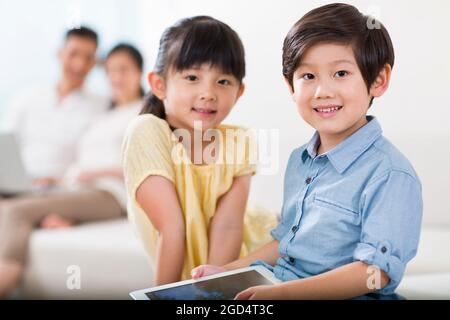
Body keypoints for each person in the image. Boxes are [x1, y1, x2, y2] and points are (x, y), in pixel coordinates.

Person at [192, 3, 423, 300]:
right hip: (279, 283)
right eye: (308, 77)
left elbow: (374, 273)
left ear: (378, 80)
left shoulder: (389, 173)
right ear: (290, 86)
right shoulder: (299, 160)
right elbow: (287, 242)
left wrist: (286, 294)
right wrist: (229, 270)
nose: (322, 91)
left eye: (340, 73)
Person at [122, 16, 277, 286]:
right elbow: (172, 229)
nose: (208, 93)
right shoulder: (146, 131)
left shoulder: (239, 139)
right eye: (192, 77)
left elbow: (228, 227)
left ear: (239, 92)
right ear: (159, 85)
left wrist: (213, 288)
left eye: (223, 81)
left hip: (255, 250)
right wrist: (168, 295)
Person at [0, 43, 145, 298]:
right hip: (80, 189)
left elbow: (146, 167)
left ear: (141, 73)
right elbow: (84, 161)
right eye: (111, 71)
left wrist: (93, 173)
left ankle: (5, 279)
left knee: (13, 211)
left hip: (112, 194)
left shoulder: (145, 112)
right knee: (8, 198)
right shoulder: (104, 115)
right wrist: (61, 179)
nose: (117, 77)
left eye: (124, 70)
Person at [2, 26, 108, 187]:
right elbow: (7, 146)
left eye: (88, 58)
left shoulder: (101, 107)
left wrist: (62, 180)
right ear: (59, 53)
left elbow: (95, 159)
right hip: (20, 184)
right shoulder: (28, 97)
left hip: (63, 188)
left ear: (95, 63)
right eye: (73, 54)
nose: (79, 65)